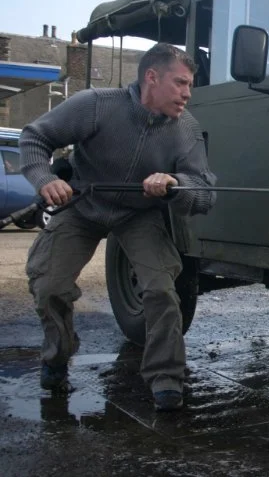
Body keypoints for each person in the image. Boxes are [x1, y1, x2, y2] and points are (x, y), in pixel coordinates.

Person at [19, 43, 217, 411]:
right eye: (181, 83)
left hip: (138, 214)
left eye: (190, 85)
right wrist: (45, 179)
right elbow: (34, 137)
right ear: (151, 77)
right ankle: (56, 357)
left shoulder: (186, 129)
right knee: (50, 285)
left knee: (161, 290)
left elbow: (205, 193)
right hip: (82, 206)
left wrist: (175, 184)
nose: (188, 93)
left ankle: (167, 380)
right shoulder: (96, 104)